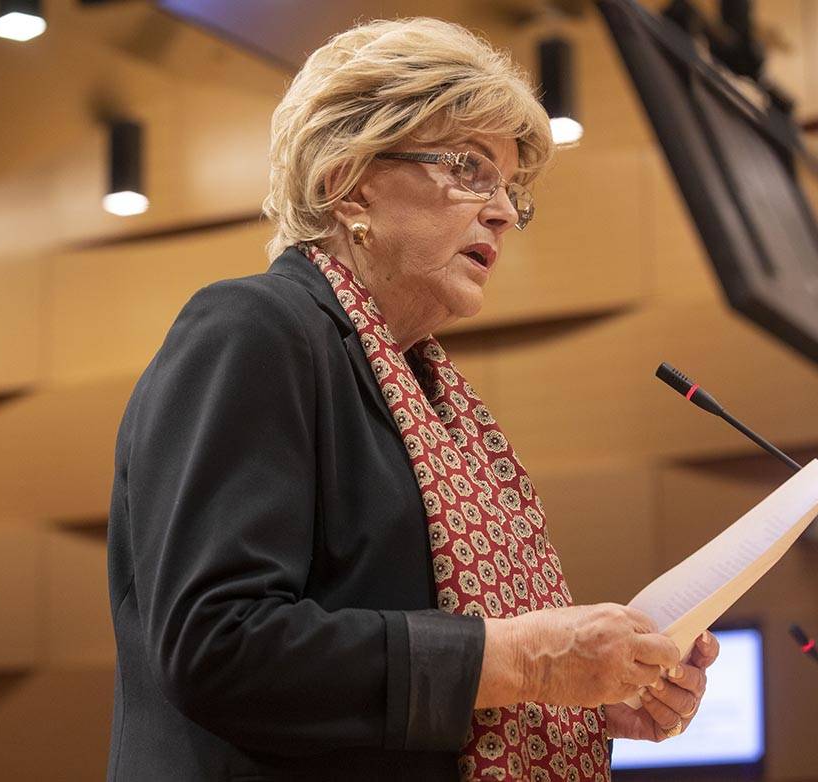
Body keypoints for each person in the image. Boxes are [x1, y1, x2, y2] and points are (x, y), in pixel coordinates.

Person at [105, 16, 719, 782]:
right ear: (348, 181)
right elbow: (219, 644)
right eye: (469, 169)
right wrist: (521, 663)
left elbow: (411, 675)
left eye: (511, 191)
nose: (501, 211)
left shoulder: (429, 402)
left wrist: (582, 697)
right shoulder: (253, 331)